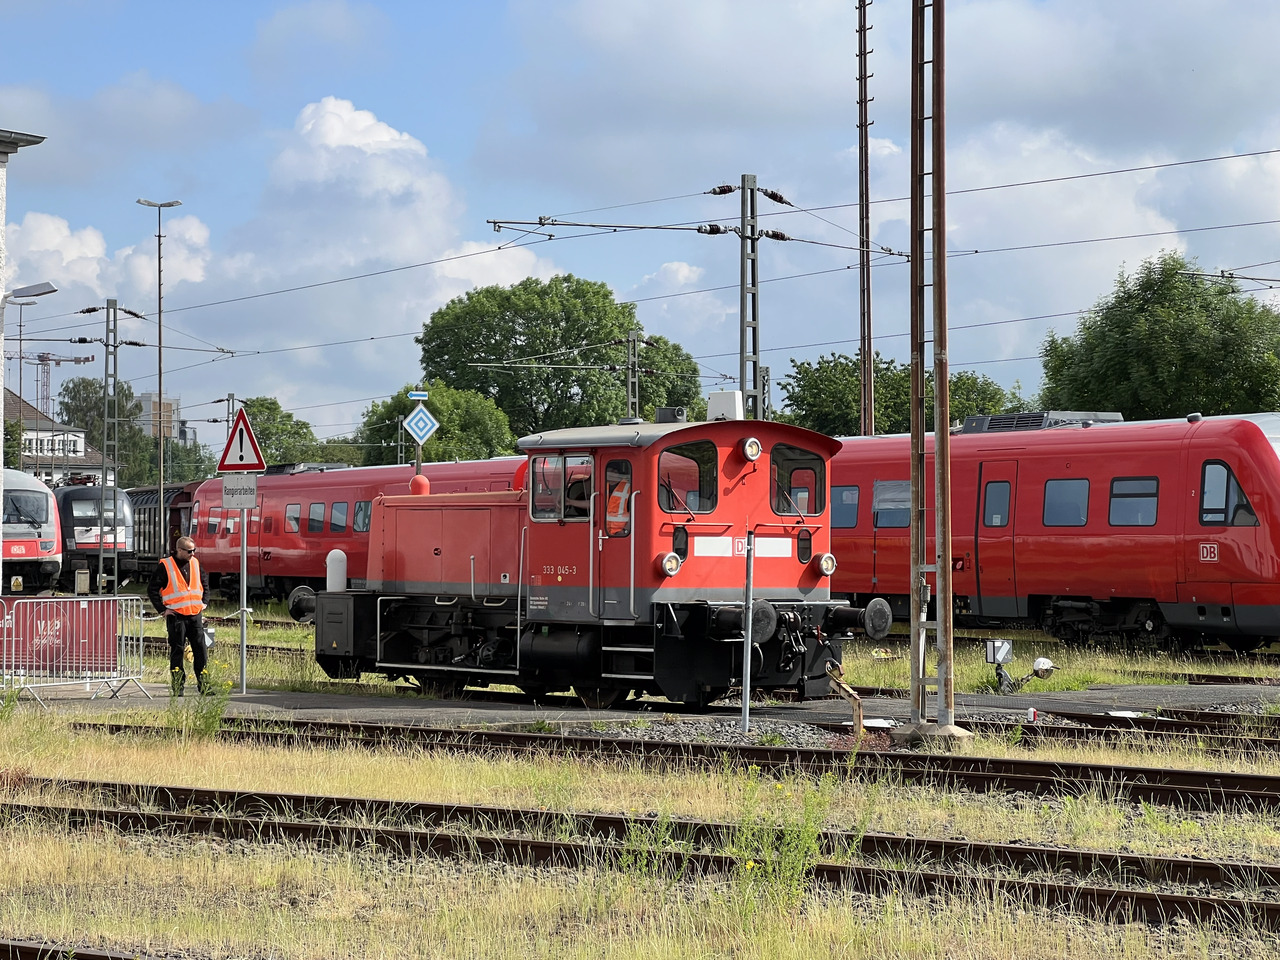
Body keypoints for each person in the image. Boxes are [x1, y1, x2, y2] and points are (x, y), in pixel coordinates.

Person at [148, 535, 210, 696]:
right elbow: (152, 590)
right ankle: (178, 688)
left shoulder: (195, 563)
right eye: (189, 551)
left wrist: (204, 602)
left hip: (195, 615)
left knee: (201, 652)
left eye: (194, 550)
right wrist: (163, 610)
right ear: (179, 550)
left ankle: (204, 686)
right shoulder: (165, 565)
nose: (192, 554)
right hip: (176, 617)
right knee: (177, 652)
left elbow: (205, 584)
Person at [606, 467, 631, 536]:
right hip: (605, 533)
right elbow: (593, 504)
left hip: (622, 534)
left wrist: (625, 530)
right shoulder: (602, 486)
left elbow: (636, 512)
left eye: (612, 471)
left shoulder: (628, 488)